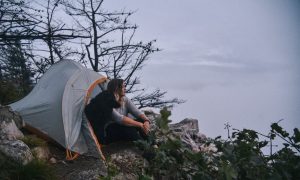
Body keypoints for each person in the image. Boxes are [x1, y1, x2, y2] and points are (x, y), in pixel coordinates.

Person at [104, 78, 150, 144]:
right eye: (123, 86)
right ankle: (145, 148)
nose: (125, 88)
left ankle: (153, 144)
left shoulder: (124, 99)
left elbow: (137, 112)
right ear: (117, 88)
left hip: (122, 126)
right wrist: (139, 124)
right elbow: (119, 119)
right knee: (129, 128)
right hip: (110, 130)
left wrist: (146, 121)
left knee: (141, 120)